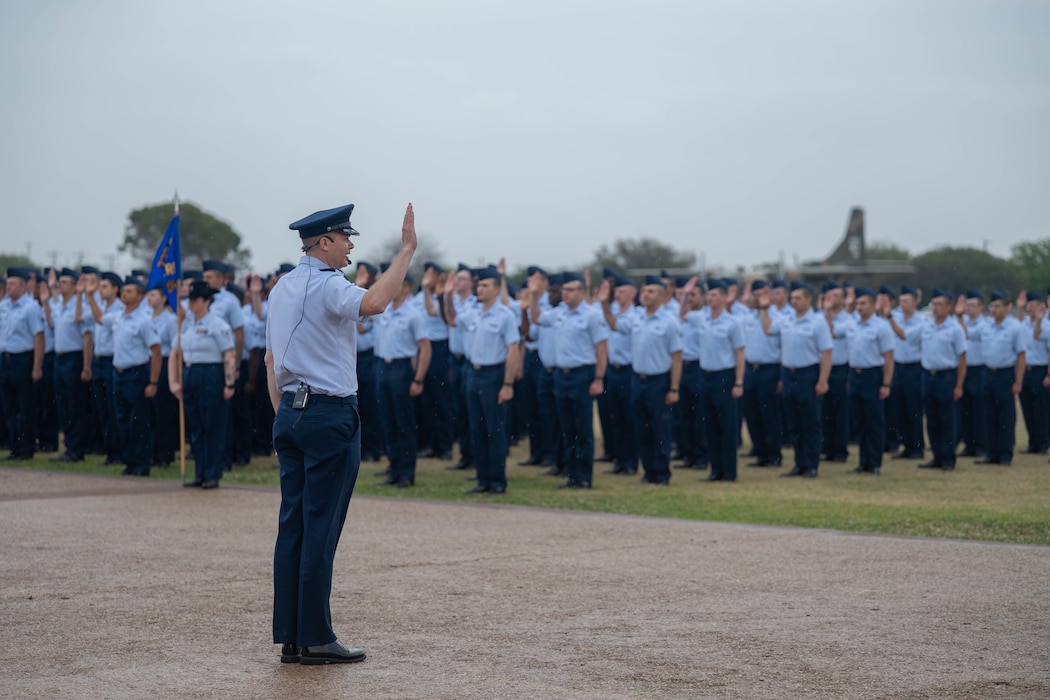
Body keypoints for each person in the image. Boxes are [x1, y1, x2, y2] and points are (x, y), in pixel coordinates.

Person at [265, 202, 416, 665]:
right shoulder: (328, 285)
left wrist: (286, 414)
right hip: (328, 414)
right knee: (321, 528)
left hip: (291, 411)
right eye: (345, 237)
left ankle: (291, 636)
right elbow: (372, 303)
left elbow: (272, 361)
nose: (352, 245)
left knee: (293, 526)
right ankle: (315, 637)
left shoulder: (282, 287)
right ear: (325, 242)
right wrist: (406, 250)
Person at [444, 266, 521, 494]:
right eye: (479, 285)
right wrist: (448, 296)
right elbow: (452, 320)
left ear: (496, 289)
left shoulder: (505, 315)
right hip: (473, 373)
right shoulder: (474, 312)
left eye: (485, 285)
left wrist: (507, 384)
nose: (480, 289)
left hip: (494, 375)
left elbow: (513, 350)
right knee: (476, 429)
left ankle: (497, 481)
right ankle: (482, 479)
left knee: (494, 430)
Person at [528, 271, 608, 489]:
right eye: (564, 289)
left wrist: (599, 379)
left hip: (582, 374)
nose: (565, 293)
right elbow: (536, 318)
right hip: (561, 376)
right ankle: (572, 473)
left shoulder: (591, 315)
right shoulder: (559, 313)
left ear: (582, 292)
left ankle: (583, 476)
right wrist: (534, 296)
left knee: (582, 429)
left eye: (571, 290)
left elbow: (601, 349)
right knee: (567, 427)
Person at [601, 275, 682, 485]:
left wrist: (674, 388)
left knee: (660, 429)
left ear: (662, 295)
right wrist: (604, 305)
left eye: (651, 291)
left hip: (659, 381)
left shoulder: (669, 322)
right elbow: (614, 325)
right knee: (642, 428)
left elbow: (677, 358)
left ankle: (661, 473)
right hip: (638, 380)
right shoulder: (636, 317)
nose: (646, 295)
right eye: (645, 291)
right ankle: (648, 471)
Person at [759, 282, 832, 478]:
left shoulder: (818, 322)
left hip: (808, 374)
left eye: (798, 298)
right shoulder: (786, 319)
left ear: (809, 299)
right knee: (794, 422)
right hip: (788, 374)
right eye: (793, 298)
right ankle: (799, 463)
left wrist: (823, 381)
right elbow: (768, 329)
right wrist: (764, 308)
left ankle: (811, 464)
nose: (794, 302)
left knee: (810, 422)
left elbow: (826, 352)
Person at [169, 281, 236, 489]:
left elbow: (230, 355)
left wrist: (229, 383)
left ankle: (212, 474)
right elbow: (174, 352)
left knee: (212, 426)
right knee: (196, 426)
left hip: (211, 374)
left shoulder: (217, 324)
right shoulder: (187, 324)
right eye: (190, 299)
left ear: (206, 301)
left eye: (196, 299)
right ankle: (200, 472)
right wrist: (174, 382)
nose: (191, 303)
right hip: (190, 373)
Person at [680, 277, 745, 483]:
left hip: (724, 377)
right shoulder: (702, 318)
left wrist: (739, 382)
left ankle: (729, 471)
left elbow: (740, 354)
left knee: (726, 426)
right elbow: (682, 315)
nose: (710, 298)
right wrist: (685, 295)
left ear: (725, 298)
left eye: (714, 295)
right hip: (704, 376)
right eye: (708, 294)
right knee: (710, 425)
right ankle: (715, 469)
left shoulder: (733, 323)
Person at [373, 273, 431, 487]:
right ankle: (394, 469)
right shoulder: (384, 310)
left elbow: (425, 348)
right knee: (387, 423)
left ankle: (406, 473)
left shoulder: (413, 315)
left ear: (406, 288)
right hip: (381, 367)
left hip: (401, 368)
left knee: (404, 423)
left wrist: (418, 379)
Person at [108, 276, 162, 476]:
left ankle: (141, 464)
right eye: (124, 290)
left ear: (140, 296)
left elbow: (156, 352)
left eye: (130, 291)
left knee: (138, 421)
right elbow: (98, 319)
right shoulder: (118, 316)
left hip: (137, 374)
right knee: (121, 419)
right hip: (119, 373)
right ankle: (129, 461)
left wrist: (153, 382)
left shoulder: (144, 320)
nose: (124, 293)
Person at [841, 287, 894, 475]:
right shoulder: (851, 324)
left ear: (872, 305)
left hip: (873, 375)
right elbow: (832, 329)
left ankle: (874, 462)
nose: (859, 307)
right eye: (857, 303)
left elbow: (888, 357)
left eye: (863, 303)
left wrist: (886, 383)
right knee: (859, 421)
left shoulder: (881, 327)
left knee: (874, 421)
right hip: (855, 375)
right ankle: (863, 461)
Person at [918, 289, 967, 471]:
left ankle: (948, 458)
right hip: (928, 376)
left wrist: (959, 384)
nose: (935, 308)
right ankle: (937, 456)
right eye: (933, 304)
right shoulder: (926, 326)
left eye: (939, 304)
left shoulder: (955, 329)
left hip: (947, 376)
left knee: (948, 419)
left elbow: (962, 358)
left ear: (949, 307)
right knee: (932, 420)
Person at [47, 268, 93, 463]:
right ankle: (69, 446)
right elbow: (51, 324)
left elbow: (88, 338)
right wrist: (46, 298)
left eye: (64, 282)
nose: (59, 285)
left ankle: (77, 449)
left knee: (75, 405)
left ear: (75, 286)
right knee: (63, 404)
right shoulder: (59, 305)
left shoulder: (80, 306)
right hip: (59, 358)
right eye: (59, 282)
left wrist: (86, 366)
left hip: (74, 358)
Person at [975, 290, 1025, 465]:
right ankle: (991, 453)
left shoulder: (1014, 327)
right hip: (988, 372)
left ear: (1007, 307)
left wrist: (1018, 381)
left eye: (997, 306)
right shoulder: (986, 326)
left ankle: (1005, 453)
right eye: (992, 306)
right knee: (988, 414)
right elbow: (968, 333)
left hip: (1005, 374)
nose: (994, 310)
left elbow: (1021, 355)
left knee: (1005, 416)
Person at [0, 268, 45, 460]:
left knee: (24, 408)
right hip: (5, 359)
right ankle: (14, 447)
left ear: (23, 285)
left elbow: (39, 337)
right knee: (9, 408)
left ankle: (26, 449)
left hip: (23, 359)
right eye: (7, 284)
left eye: (12, 284)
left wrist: (36, 366)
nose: (8, 287)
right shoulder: (4, 306)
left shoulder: (31, 307)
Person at [740, 280, 783, 468]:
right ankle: (760, 451)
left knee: (769, 414)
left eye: (761, 295)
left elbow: (781, 346)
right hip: (751, 368)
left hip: (769, 369)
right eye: (755, 295)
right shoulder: (747, 317)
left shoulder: (779, 317)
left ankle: (773, 454)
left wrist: (781, 376)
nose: (757, 299)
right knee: (752, 413)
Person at [886, 285, 928, 460]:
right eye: (901, 301)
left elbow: (903, 335)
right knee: (899, 409)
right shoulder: (896, 317)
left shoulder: (921, 321)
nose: (902, 304)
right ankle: (907, 445)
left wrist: (888, 317)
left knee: (913, 409)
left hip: (913, 367)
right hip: (898, 367)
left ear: (915, 302)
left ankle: (917, 447)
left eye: (906, 301)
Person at [956, 290, 988, 458]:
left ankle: (981, 445)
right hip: (965, 370)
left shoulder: (985, 324)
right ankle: (969, 445)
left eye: (973, 305)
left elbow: (966, 333)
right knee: (964, 410)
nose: (969, 308)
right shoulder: (962, 321)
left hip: (978, 370)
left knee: (978, 410)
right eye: (967, 305)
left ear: (981, 306)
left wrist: (959, 318)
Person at [1018, 291, 1050, 454]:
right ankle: (1033, 443)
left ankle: (1043, 443)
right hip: (1025, 371)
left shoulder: (1047, 325)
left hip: (1040, 370)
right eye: (1028, 305)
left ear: (1041, 306)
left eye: (1033, 305)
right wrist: (1020, 308)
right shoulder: (1023, 324)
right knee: (1027, 408)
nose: (1030, 308)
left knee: (1041, 410)